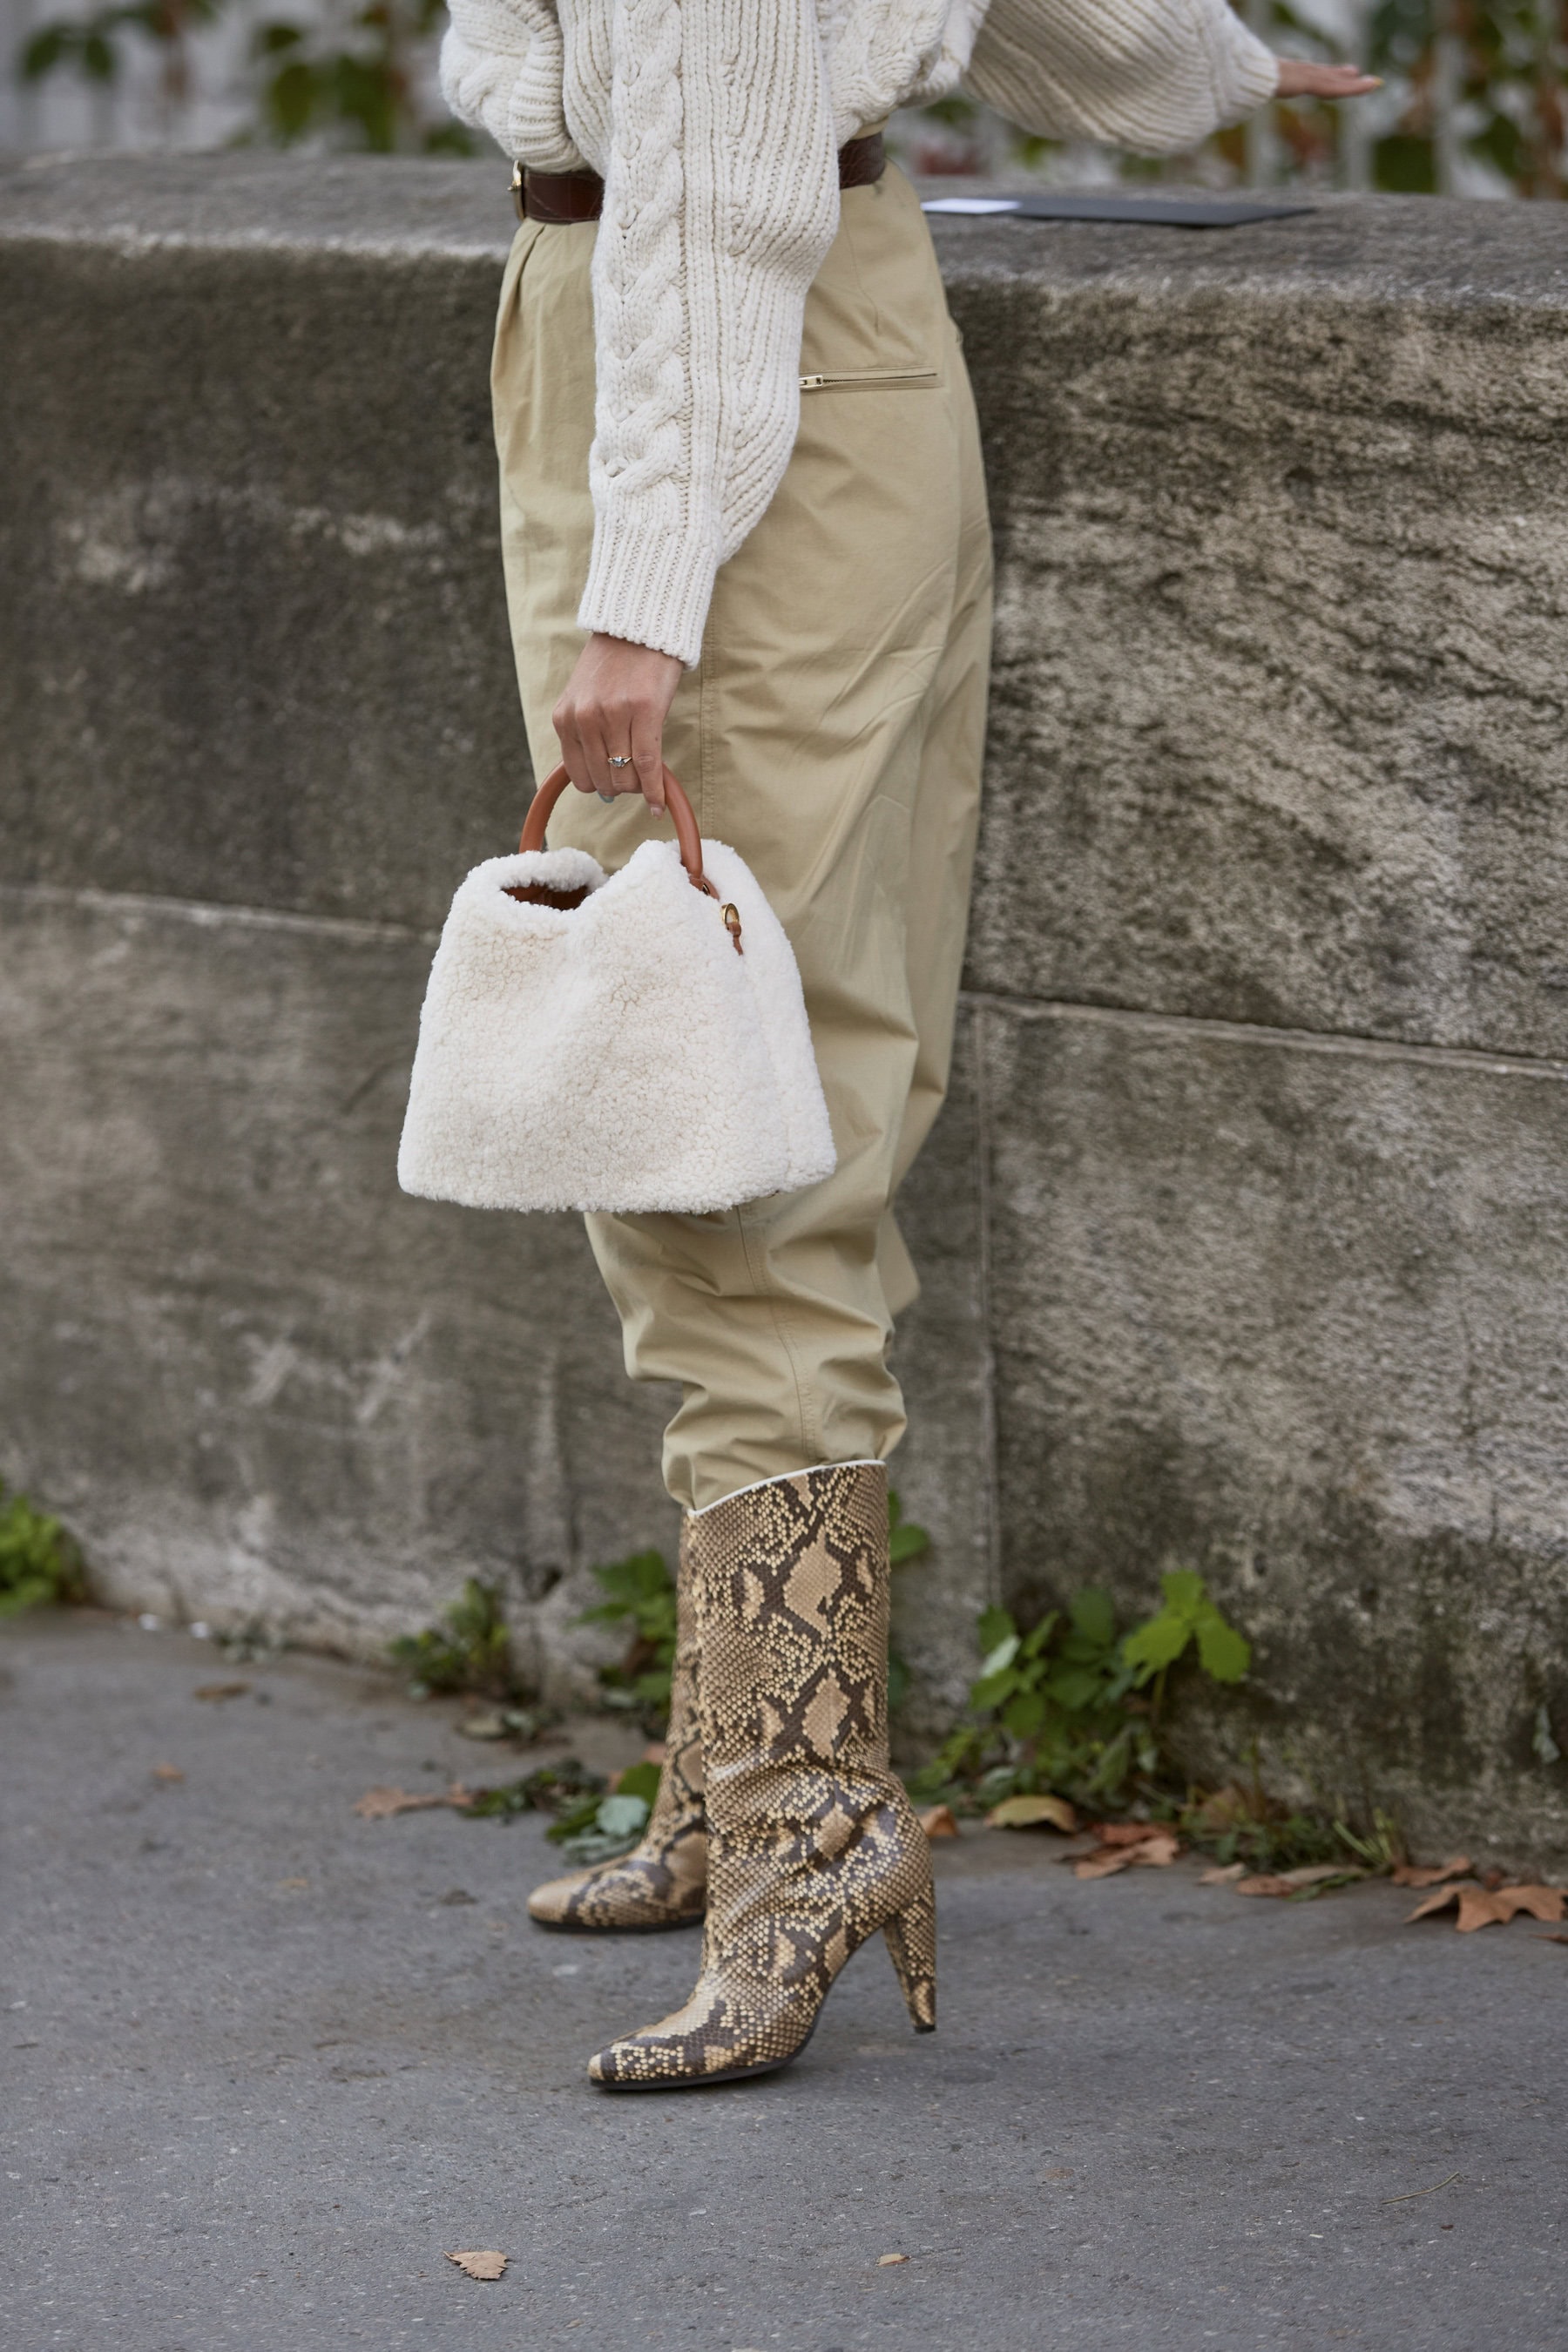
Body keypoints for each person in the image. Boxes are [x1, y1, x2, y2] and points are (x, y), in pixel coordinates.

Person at [439, 0, 1375, 2090]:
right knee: (772, 1074)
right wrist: (1186, 60)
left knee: (719, 1131)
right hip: (749, 336)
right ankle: (743, 1770)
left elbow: (714, 138)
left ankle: (807, 1828)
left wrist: (646, 590)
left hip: (714, 360)